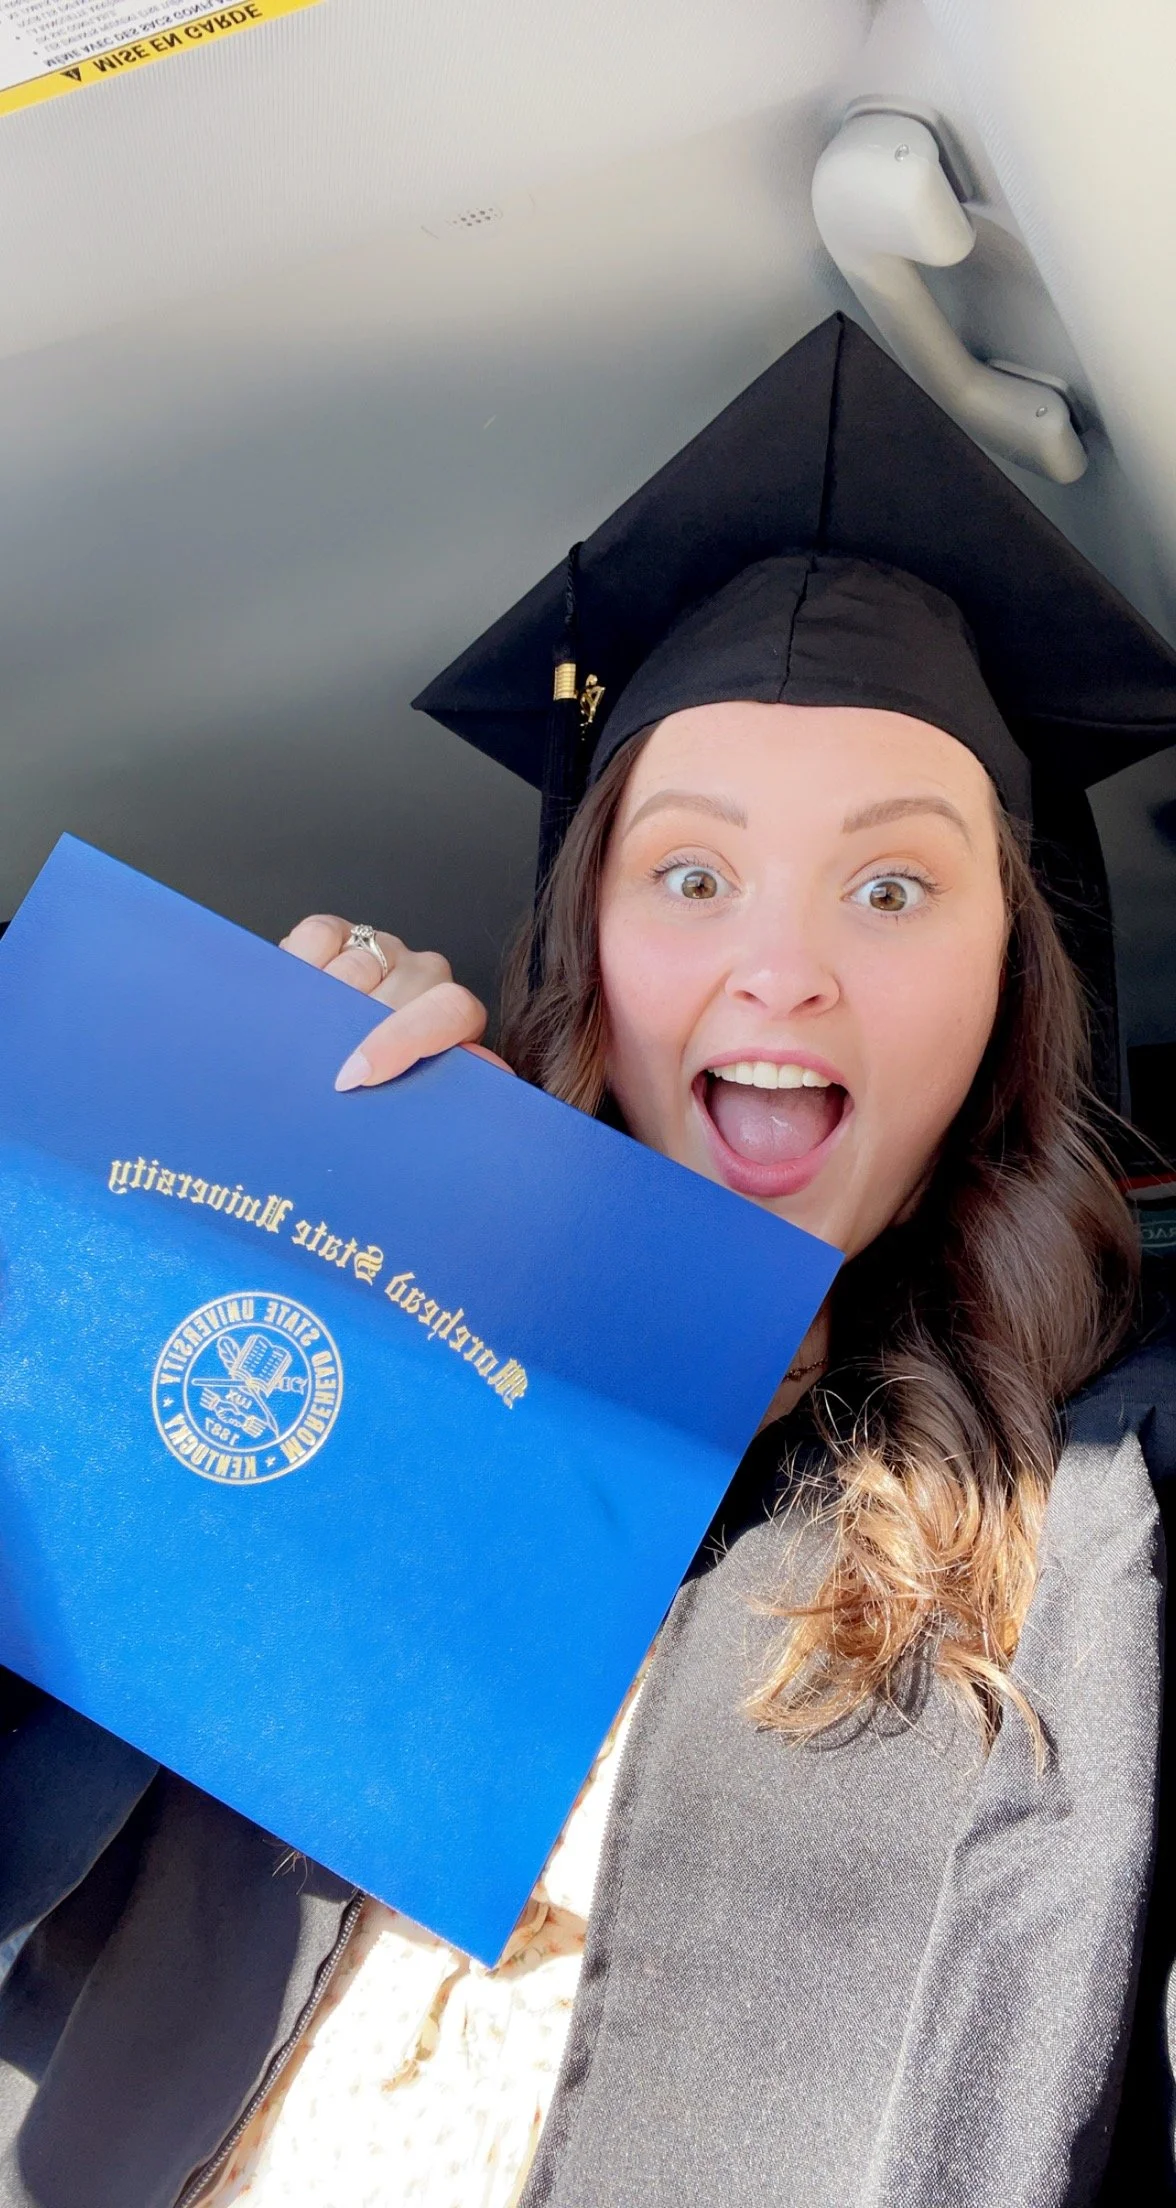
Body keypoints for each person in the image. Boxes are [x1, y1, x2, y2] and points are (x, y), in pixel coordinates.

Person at [3, 312, 1176, 2207]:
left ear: (1010, 982)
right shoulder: (384, 1348)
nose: (778, 966)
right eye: (692, 874)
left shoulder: (1113, 1491)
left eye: (892, 887)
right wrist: (216, 1221)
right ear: (594, 946)